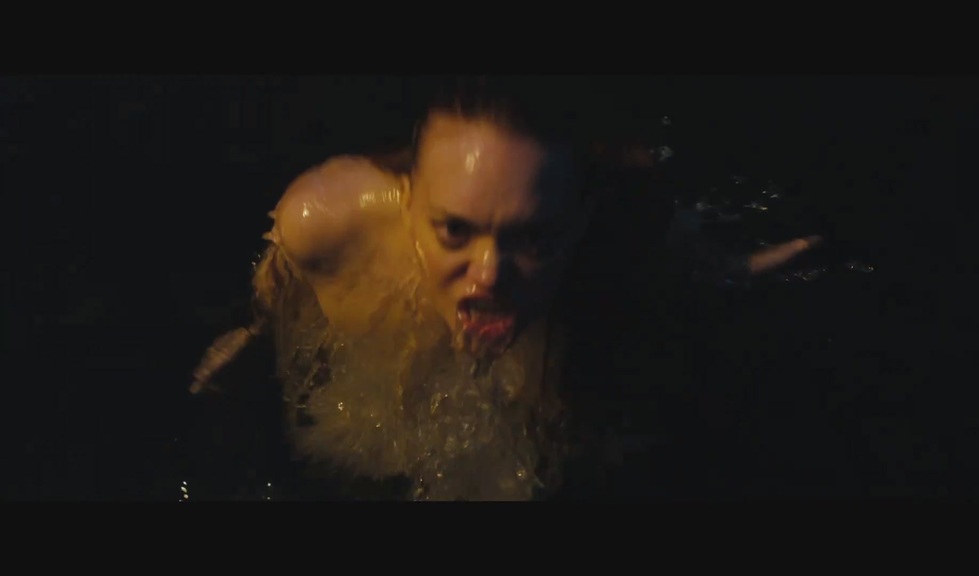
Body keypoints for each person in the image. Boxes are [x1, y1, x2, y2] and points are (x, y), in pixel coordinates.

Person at [191, 77, 822, 501]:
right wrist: (255, 329)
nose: (490, 275)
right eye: (453, 230)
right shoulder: (323, 224)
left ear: (580, 219)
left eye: (533, 237)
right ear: (408, 200)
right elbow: (280, 277)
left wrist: (736, 270)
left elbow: (674, 257)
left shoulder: (621, 226)